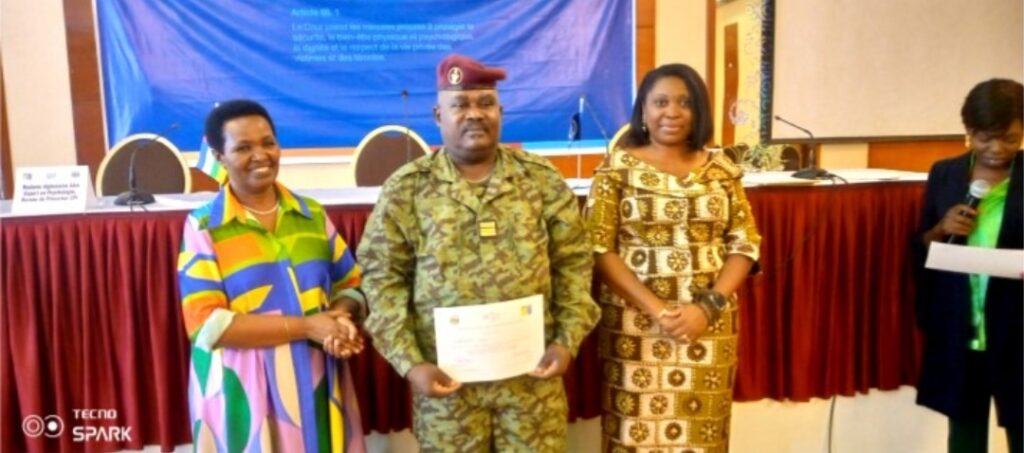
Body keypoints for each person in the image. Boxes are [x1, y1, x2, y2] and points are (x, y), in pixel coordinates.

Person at [358, 54, 600, 452]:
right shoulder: (407, 189)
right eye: (460, 104)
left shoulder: (539, 180)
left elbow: (574, 262)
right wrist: (411, 364)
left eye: (486, 103)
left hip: (532, 384)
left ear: (500, 112)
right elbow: (382, 278)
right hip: (447, 388)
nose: (474, 114)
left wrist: (566, 341)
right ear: (439, 115)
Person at [584, 63, 761, 453]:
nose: (672, 112)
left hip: (708, 326)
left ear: (699, 110)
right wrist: (660, 311)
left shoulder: (723, 170)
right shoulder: (616, 170)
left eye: (685, 102)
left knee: (703, 436)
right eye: (661, 102)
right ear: (643, 110)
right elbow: (598, 249)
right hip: (636, 328)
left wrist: (707, 308)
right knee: (634, 436)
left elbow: (745, 245)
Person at [177, 99, 367, 452]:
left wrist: (339, 321)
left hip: (317, 380)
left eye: (268, 143)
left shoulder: (311, 214)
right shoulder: (204, 226)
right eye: (243, 148)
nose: (260, 155)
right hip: (240, 392)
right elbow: (207, 325)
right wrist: (308, 326)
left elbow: (352, 283)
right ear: (219, 157)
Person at [915, 79, 1022, 453]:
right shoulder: (945, 173)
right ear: (969, 131)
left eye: (1010, 139)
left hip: (1018, 329)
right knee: (964, 438)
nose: (997, 149)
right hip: (961, 326)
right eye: (985, 138)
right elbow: (921, 244)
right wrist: (941, 229)